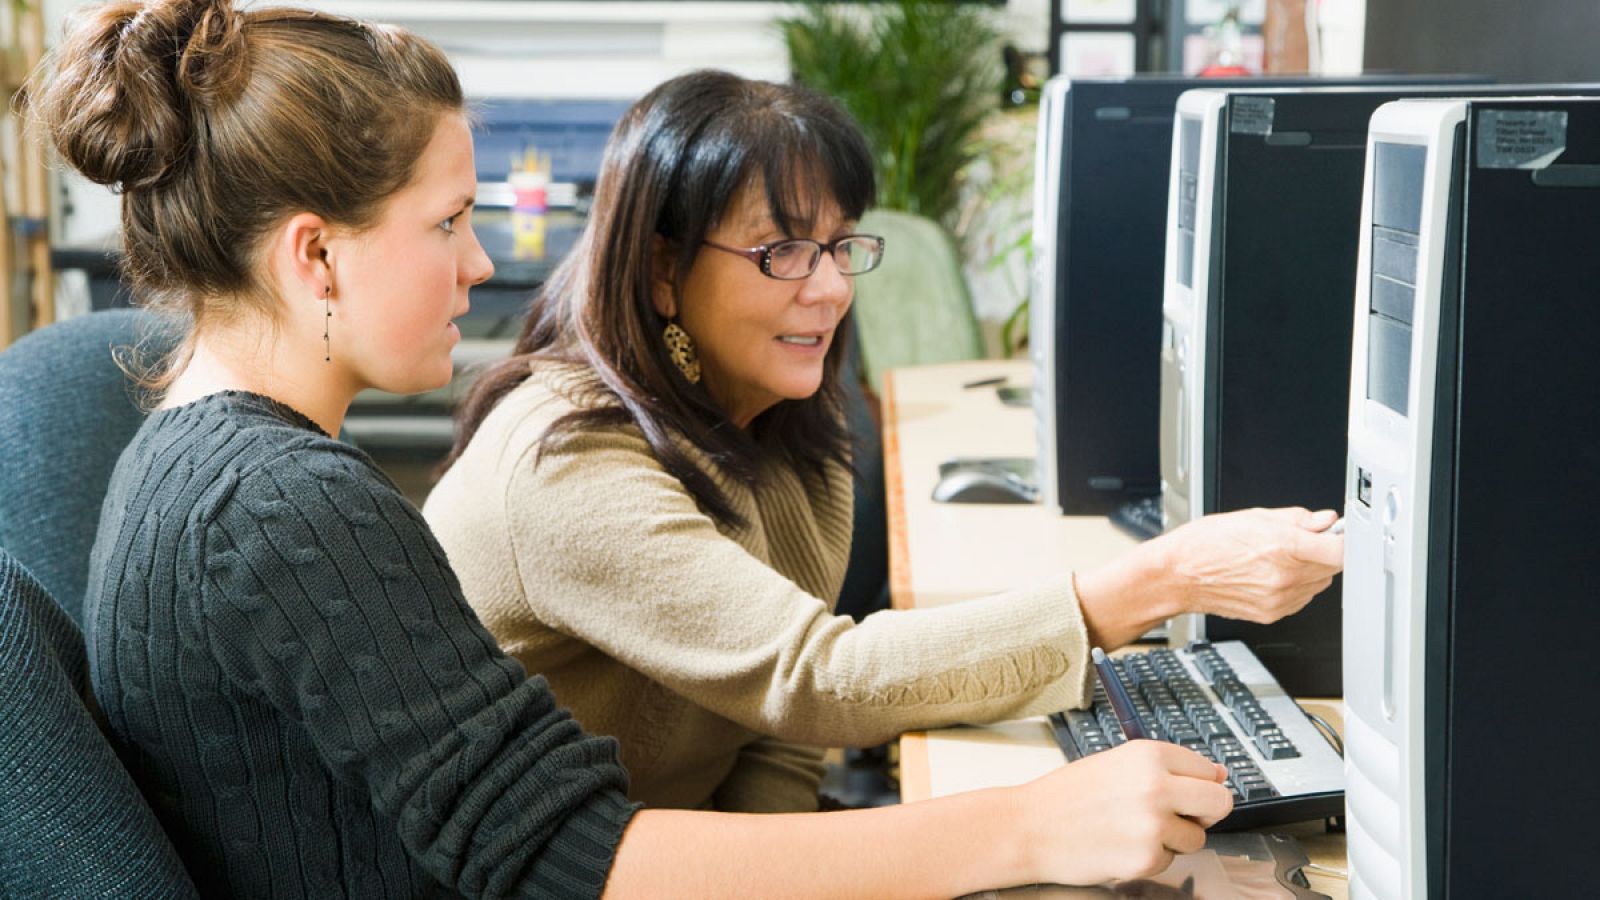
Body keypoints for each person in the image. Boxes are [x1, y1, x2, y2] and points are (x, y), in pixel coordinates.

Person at [39, 1, 1235, 895]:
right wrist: (1027, 826)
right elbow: (576, 862)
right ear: (316, 257)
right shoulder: (280, 512)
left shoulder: (208, 468)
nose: (475, 263)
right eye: (447, 223)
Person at [425, 69, 1345, 814]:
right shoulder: (567, 458)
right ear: (664, 271)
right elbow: (815, 677)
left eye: (839, 246)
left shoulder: (783, 422)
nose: (827, 290)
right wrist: (1161, 578)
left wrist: (787, 865)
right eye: (780, 251)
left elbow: (775, 734)